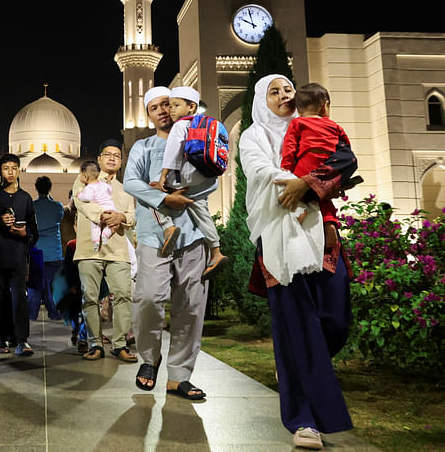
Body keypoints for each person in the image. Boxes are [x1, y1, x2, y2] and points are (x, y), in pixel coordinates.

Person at [240, 74, 353, 449]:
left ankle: (292, 361)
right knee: (300, 329)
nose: (283, 96)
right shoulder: (253, 136)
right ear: (262, 100)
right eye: (274, 92)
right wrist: (294, 181)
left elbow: (344, 161)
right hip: (279, 238)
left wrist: (307, 183)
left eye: (288, 89)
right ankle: (305, 420)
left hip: (323, 234)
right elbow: (258, 171)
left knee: (336, 320)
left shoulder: (314, 127)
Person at [123, 86, 215, 399]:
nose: (163, 111)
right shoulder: (143, 147)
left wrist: (183, 196)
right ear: (148, 114)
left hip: (192, 233)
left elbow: (212, 176)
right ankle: (149, 358)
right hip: (153, 235)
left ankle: (179, 376)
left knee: (190, 305)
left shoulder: (196, 140)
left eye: (168, 105)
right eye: (155, 107)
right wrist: (165, 198)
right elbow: (131, 182)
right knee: (148, 297)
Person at [73, 140, 137, 363]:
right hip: (90, 250)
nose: (112, 158)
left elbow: (132, 214)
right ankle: (95, 343)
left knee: (123, 296)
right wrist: (105, 214)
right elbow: (82, 203)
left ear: (121, 162)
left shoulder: (125, 188)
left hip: (118, 250)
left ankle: (119, 344)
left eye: (117, 155)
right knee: (90, 298)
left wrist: (122, 217)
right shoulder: (84, 179)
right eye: (107, 154)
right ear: (99, 159)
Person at [155, 86, 228, 279]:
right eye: (170, 105)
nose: (171, 109)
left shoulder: (180, 126)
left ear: (191, 107)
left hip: (184, 180)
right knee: (202, 213)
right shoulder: (202, 123)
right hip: (205, 179)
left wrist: (163, 176)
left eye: (176, 105)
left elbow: (173, 153)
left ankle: (168, 226)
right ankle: (216, 250)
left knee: (156, 197)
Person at [280, 82, 358, 251]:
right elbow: (346, 148)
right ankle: (329, 223)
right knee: (324, 197)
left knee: (302, 196)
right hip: (327, 165)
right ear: (325, 106)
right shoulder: (335, 126)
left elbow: (290, 147)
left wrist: (286, 169)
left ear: (298, 110)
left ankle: (302, 213)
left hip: (304, 168)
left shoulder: (297, 123)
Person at [0, 153, 38, 357]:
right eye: (6, 168)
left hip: (17, 257)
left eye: (14, 168)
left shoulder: (25, 198)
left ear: (19, 171)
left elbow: (34, 230)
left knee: (19, 299)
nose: (10, 172)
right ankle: (1, 339)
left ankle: (21, 340)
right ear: (0, 172)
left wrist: (25, 233)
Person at [28, 176, 63, 321]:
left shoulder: (32, 207)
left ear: (36, 188)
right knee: (52, 288)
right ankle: (55, 314)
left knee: (35, 287)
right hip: (54, 252)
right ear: (50, 188)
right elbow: (59, 218)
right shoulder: (57, 206)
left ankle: (31, 315)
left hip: (36, 251)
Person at [76, 160, 119, 251]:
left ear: (85, 176)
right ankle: (105, 235)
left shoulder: (89, 187)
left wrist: (79, 195)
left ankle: (96, 241)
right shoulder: (104, 184)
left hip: (100, 209)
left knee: (95, 225)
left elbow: (87, 198)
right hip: (110, 207)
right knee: (110, 225)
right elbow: (110, 190)